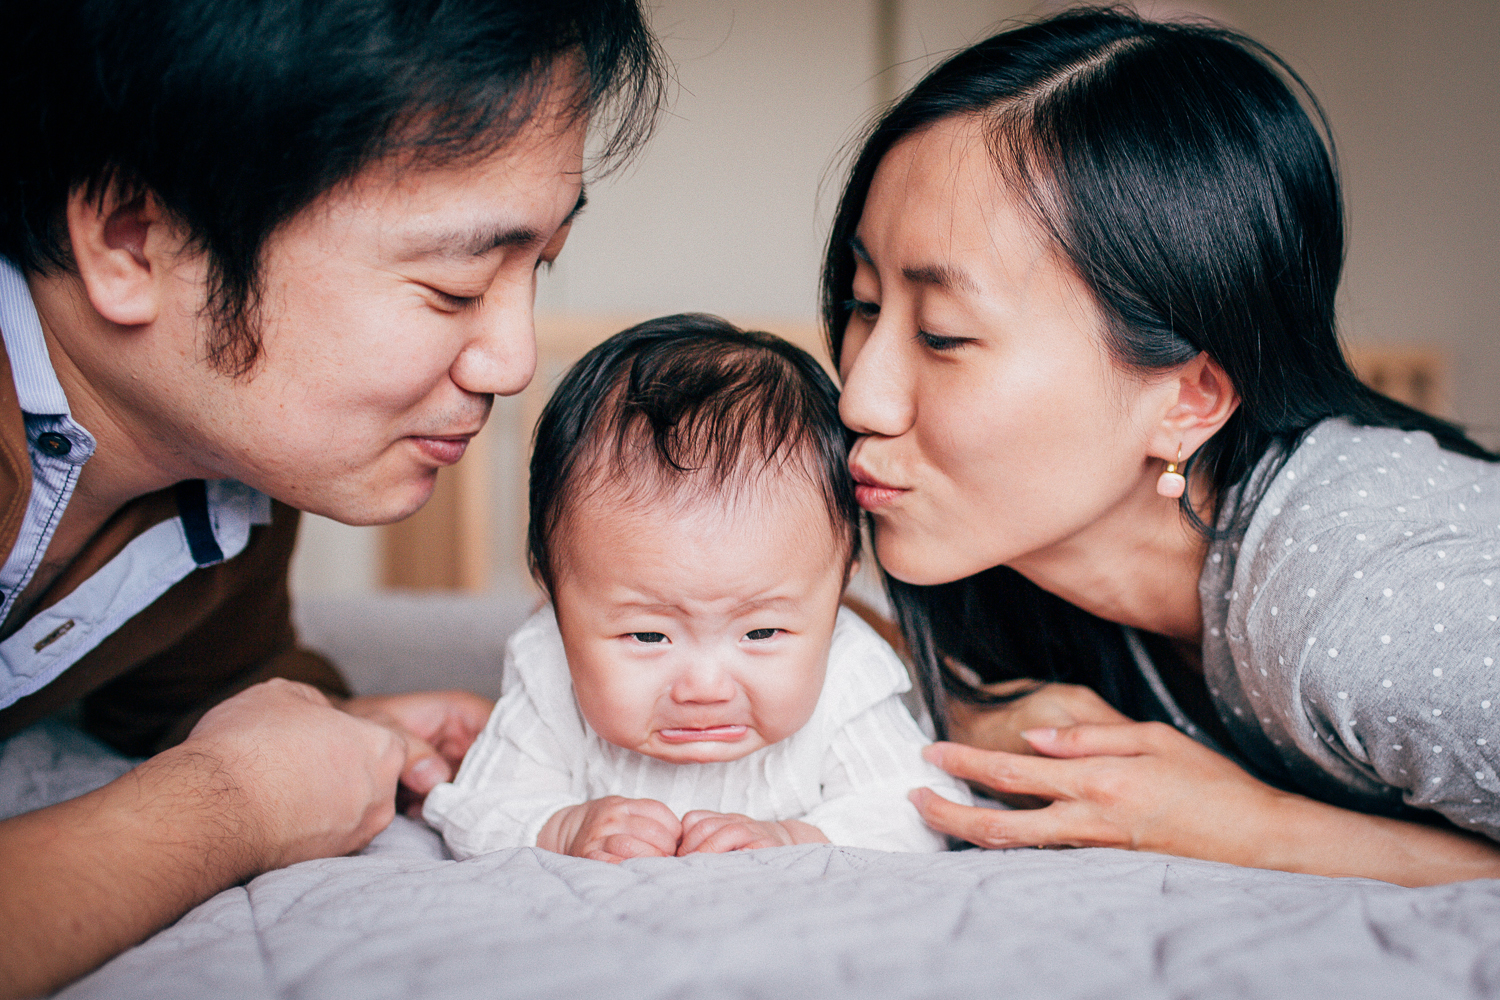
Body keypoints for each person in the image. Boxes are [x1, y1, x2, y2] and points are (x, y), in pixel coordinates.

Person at [0, 1, 665, 994]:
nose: (513, 362)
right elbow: (230, 769)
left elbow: (201, 689)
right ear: (133, 242)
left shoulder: (221, 486)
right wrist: (234, 799)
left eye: (542, 269)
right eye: (453, 285)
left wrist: (346, 726)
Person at [821, 8, 1500, 887]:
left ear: (1187, 400)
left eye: (944, 334)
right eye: (866, 302)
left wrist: (1256, 829)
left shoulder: (1372, 614)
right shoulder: (1014, 569)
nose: (860, 396)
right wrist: (977, 711)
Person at [423, 316, 970, 861]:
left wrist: (796, 838)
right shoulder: (550, 665)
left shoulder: (846, 674)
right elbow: (474, 809)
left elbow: (924, 812)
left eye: (761, 630)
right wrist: (559, 828)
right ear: (552, 589)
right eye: (648, 636)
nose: (704, 688)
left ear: (843, 577)